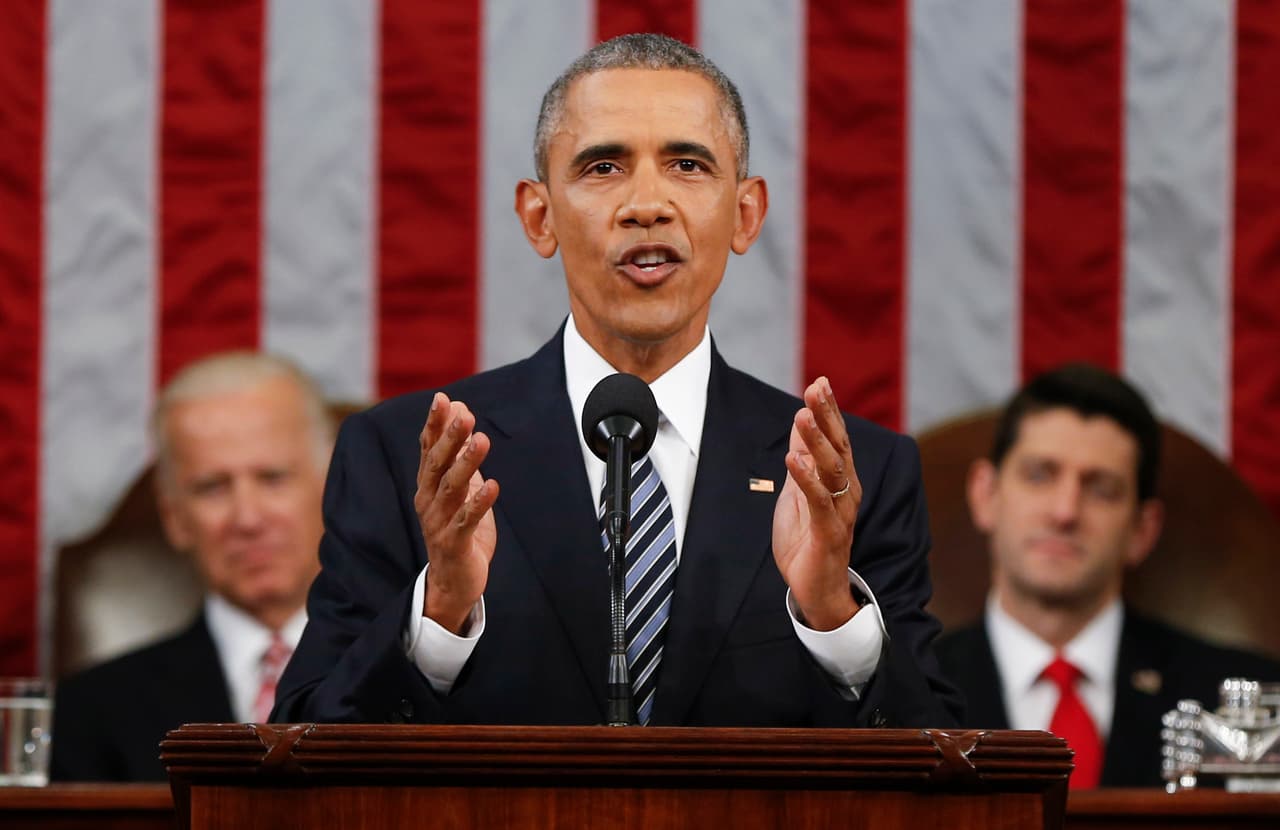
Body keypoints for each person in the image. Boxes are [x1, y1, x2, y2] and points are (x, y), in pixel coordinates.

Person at [274, 33, 959, 729]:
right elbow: (303, 746)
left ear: (745, 214)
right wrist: (440, 611)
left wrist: (832, 616)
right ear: (539, 218)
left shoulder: (853, 473)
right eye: (604, 167)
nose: (646, 205)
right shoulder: (406, 457)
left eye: (687, 164)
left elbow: (943, 767)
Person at [935, 363, 1280, 788]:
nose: (1065, 512)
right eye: (1040, 475)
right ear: (986, 494)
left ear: (1142, 529)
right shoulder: (902, 696)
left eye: (1101, 489)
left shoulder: (1241, 704)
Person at [51, 352, 334, 781]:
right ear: (175, 518)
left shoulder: (417, 676)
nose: (247, 518)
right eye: (212, 487)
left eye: (273, 478)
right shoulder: (89, 712)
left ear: (331, 491)